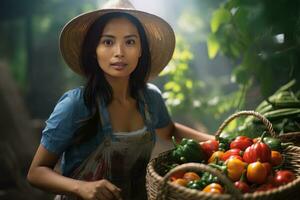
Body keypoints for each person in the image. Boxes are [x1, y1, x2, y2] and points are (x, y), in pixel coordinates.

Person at [27, 0, 214, 199]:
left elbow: (169, 130)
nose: (119, 52)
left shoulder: (150, 98)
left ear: (141, 49)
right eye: (108, 41)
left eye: (130, 42)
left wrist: (218, 142)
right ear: (94, 50)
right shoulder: (76, 105)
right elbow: (36, 172)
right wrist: (80, 187)